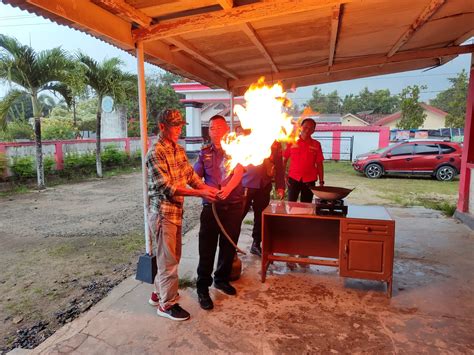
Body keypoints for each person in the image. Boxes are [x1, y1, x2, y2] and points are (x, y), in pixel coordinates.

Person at [146, 109, 218, 321]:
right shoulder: (155, 152)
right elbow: (168, 188)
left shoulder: (177, 149)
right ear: (162, 127)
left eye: (180, 125)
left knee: (171, 258)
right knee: (168, 262)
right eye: (174, 126)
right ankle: (166, 304)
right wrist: (201, 193)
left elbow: (190, 176)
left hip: (175, 212)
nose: (178, 129)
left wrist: (208, 188)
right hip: (163, 214)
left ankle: (158, 293)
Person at [193, 115, 244, 310]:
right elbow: (195, 176)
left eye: (221, 128)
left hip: (233, 205)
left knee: (228, 245)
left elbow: (239, 172)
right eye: (213, 128)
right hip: (211, 208)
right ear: (210, 131)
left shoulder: (236, 150)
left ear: (227, 131)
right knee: (206, 248)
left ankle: (221, 279)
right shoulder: (204, 153)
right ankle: (202, 287)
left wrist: (228, 190)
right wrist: (206, 191)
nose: (217, 131)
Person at [242, 140, 285, 256]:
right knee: (238, 215)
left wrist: (280, 185)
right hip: (245, 183)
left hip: (263, 184)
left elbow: (279, 164)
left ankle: (256, 244)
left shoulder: (275, 143)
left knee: (260, 217)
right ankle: (231, 243)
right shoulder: (247, 137)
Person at [283, 118, 325, 203]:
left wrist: (321, 181)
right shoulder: (292, 142)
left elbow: (319, 164)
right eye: (305, 127)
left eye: (311, 128)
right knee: (291, 205)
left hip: (309, 180)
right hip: (293, 179)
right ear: (301, 127)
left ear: (314, 130)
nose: (307, 130)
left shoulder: (316, 144)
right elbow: (284, 159)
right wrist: (284, 175)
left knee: (306, 206)